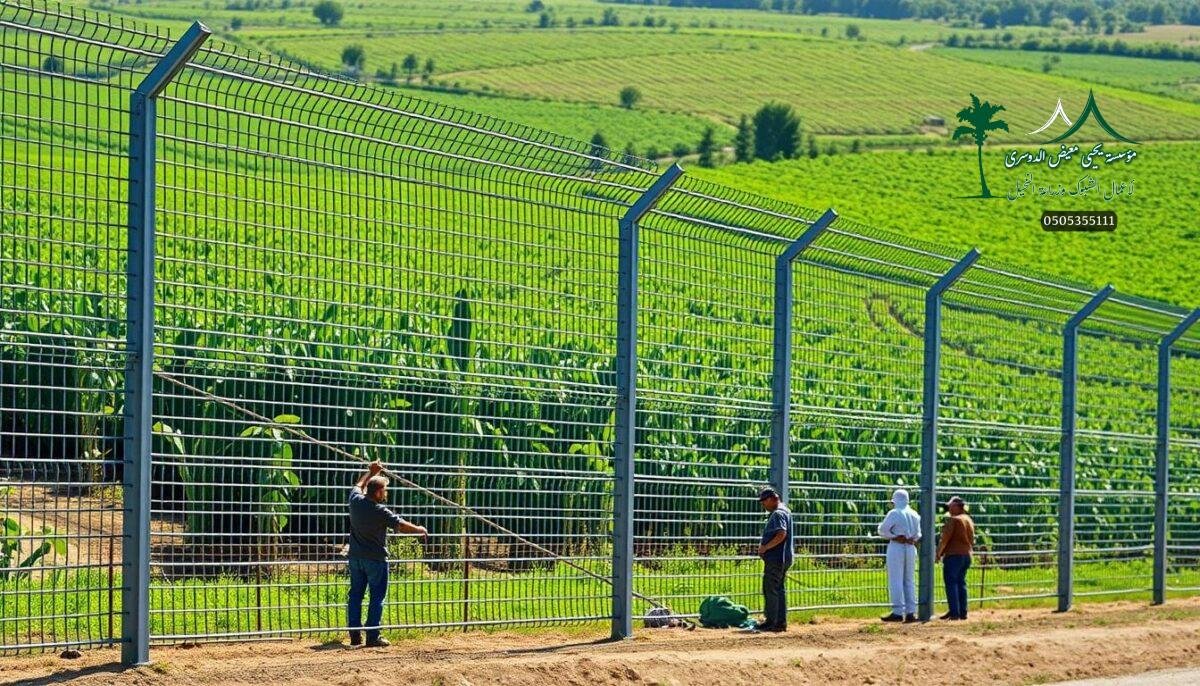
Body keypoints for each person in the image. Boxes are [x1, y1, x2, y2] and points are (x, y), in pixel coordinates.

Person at [347, 460, 428, 647]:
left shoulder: (355, 501)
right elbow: (400, 525)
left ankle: (354, 635)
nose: (386, 493)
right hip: (375, 559)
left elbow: (358, 485)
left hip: (356, 557)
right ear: (378, 492)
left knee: (355, 596)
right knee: (377, 597)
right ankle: (372, 636)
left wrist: (371, 472)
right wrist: (419, 529)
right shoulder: (380, 511)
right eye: (385, 490)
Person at [877, 488, 921, 623]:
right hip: (911, 547)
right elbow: (918, 534)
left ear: (895, 500)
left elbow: (882, 530)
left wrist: (894, 536)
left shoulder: (894, 513)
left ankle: (897, 611)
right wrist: (911, 539)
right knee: (909, 580)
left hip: (896, 547)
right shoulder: (914, 514)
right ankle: (911, 612)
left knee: (896, 579)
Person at [756, 486, 793, 632]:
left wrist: (765, 547)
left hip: (776, 559)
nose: (763, 504)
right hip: (784, 558)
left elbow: (781, 533)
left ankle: (772, 622)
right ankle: (780, 622)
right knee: (779, 589)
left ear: (773, 499)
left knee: (770, 589)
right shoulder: (786, 511)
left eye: (764, 501)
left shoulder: (778, 514)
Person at [937, 495, 976, 621]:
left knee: (951, 583)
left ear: (958, 507)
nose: (948, 508)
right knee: (961, 583)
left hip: (954, 556)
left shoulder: (954, 520)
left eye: (950, 506)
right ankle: (962, 612)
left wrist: (938, 553)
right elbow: (972, 540)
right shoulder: (968, 519)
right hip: (966, 555)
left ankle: (954, 612)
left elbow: (944, 539)